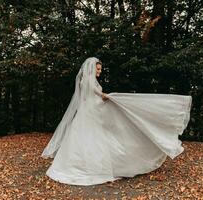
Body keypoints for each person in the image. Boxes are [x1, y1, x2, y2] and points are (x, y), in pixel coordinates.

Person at [41, 57, 192, 186]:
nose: (99, 72)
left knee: (86, 138)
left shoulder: (84, 80)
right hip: (92, 112)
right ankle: (91, 167)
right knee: (94, 138)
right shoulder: (89, 81)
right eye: (98, 69)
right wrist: (111, 97)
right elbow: (98, 96)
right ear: (91, 69)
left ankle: (81, 164)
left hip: (87, 112)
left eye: (100, 69)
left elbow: (89, 98)